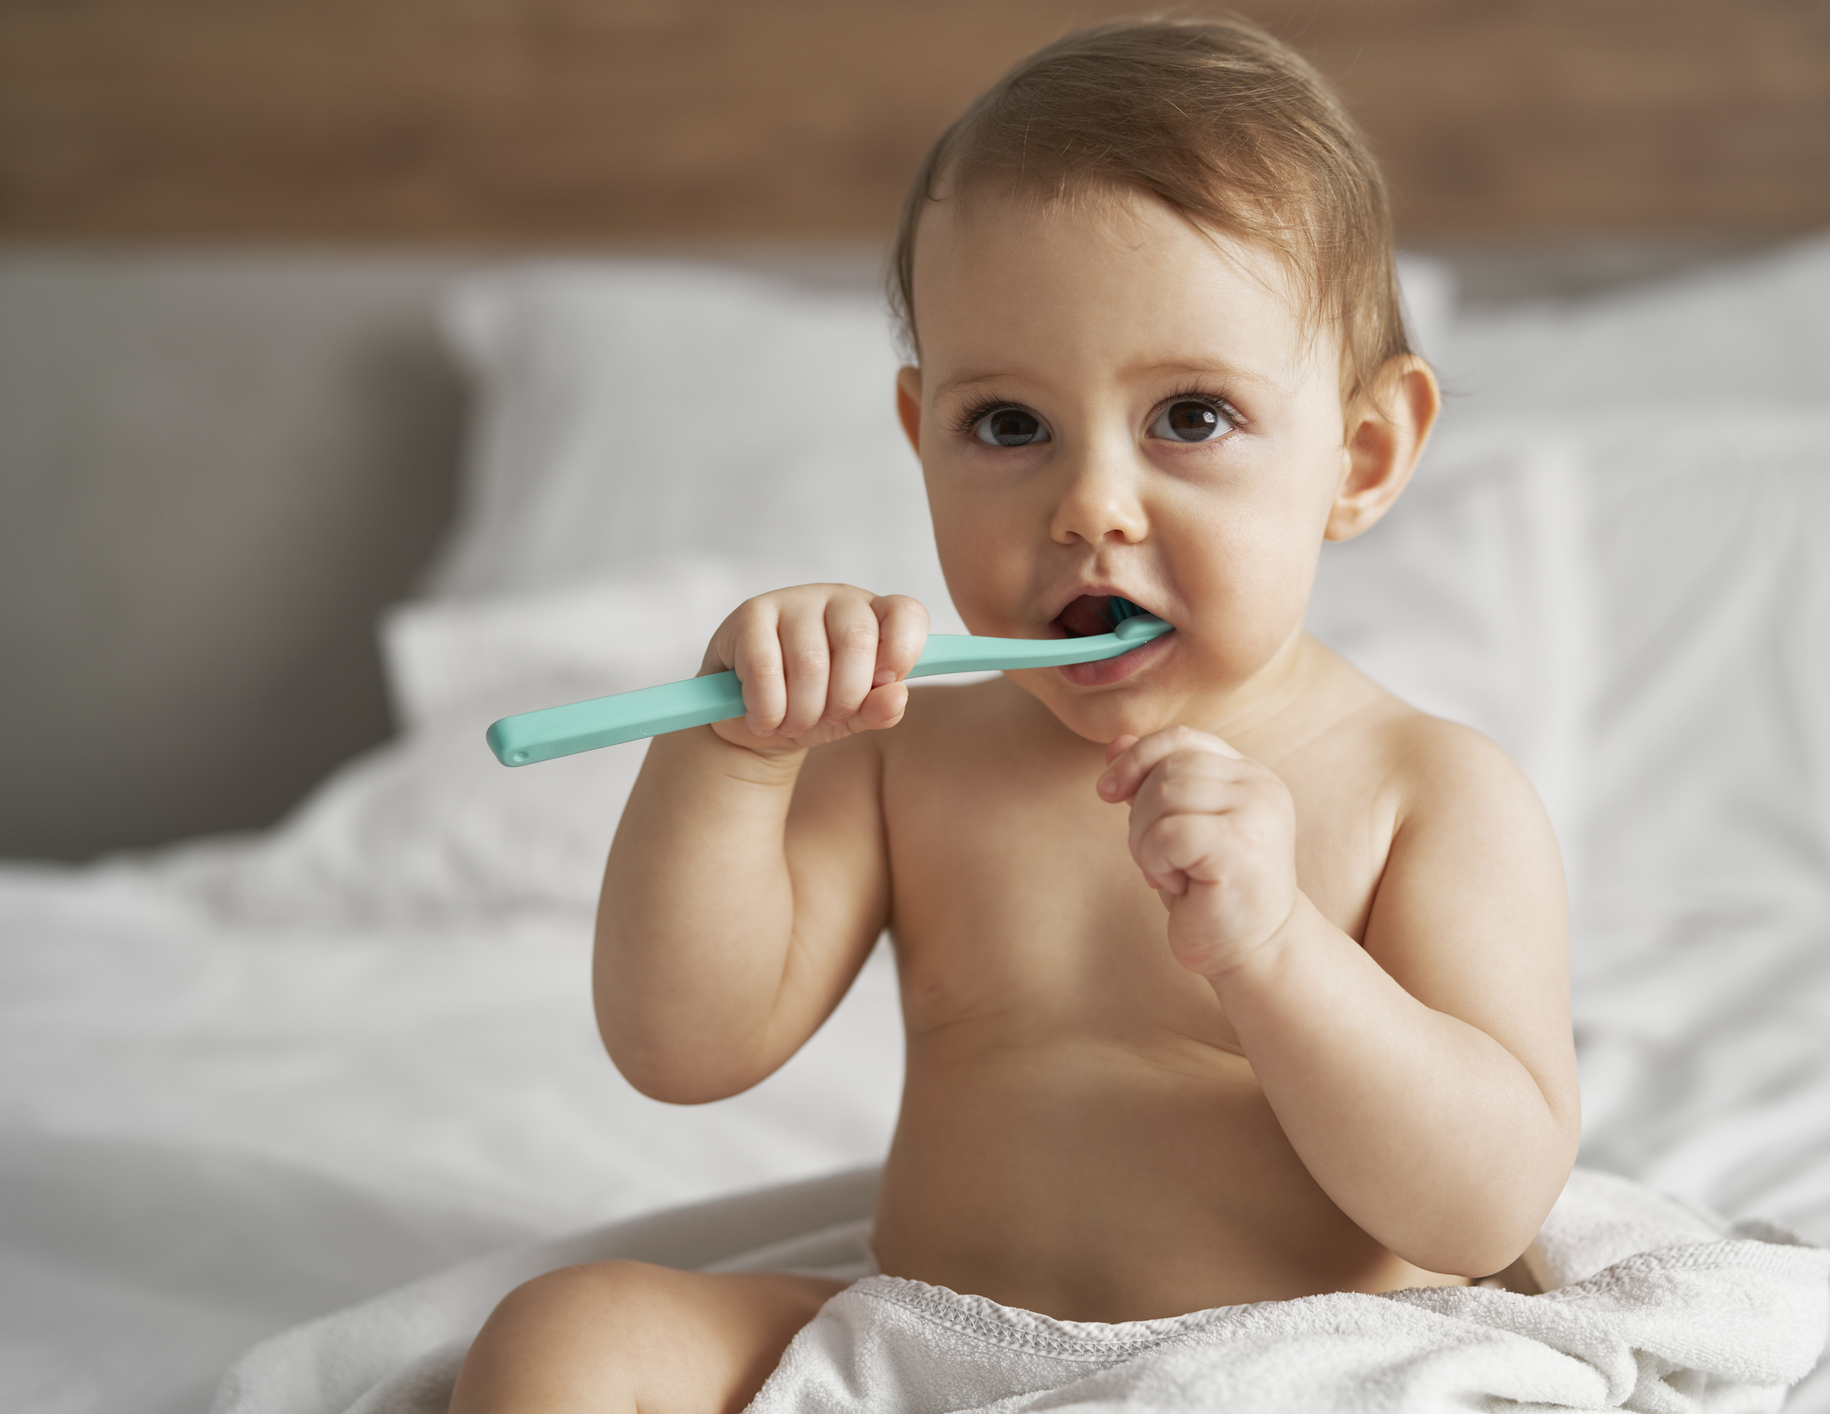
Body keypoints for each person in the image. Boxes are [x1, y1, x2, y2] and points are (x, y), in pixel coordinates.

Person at [450, 15, 1577, 1412]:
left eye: (1189, 417)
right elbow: (684, 1046)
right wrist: (730, 761)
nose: (1088, 504)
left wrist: (1276, 946)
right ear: (921, 433)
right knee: (570, 1333)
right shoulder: (908, 753)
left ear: (1360, 454)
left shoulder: (1424, 788)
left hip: (1284, 1367)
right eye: (1008, 425)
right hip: (935, 1346)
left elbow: (1480, 1208)